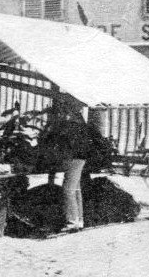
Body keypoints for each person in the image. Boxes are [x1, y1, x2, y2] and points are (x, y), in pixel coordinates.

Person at [38, 98, 109, 234]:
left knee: (68, 190)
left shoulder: (71, 126)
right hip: (79, 159)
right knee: (76, 189)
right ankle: (79, 220)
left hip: (74, 159)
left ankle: (72, 222)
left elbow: (58, 140)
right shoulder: (80, 124)